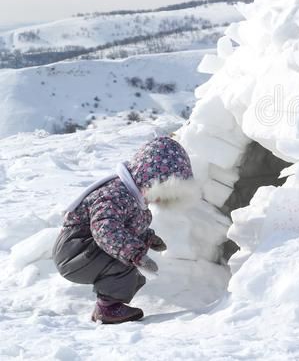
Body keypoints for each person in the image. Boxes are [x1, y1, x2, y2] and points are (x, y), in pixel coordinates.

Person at [52, 136, 198, 324]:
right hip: (74, 251)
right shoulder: (115, 195)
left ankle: (110, 304)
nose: (161, 200)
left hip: (84, 250)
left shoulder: (132, 198)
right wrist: (135, 253)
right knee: (124, 260)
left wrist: (148, 238)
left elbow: (126, 227)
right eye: (163, 192)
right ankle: (107, 308)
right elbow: (106, 229)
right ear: (150, 180)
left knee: (133, 273)